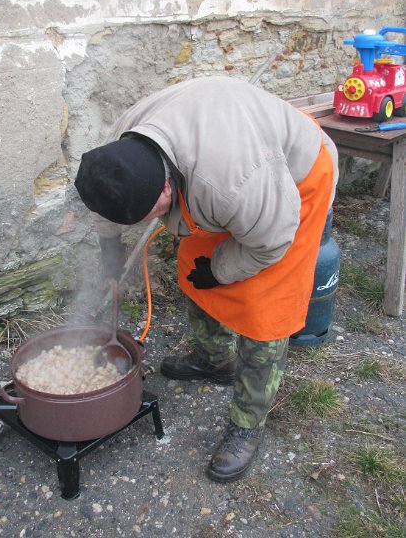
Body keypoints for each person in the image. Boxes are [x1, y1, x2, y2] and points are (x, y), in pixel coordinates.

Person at [74, 76, 338, 483]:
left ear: (165, 188)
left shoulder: (235, 183)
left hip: (291, 184)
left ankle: (247, 426)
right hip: (219, 171)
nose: (146, 223)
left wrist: (219, 270)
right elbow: (106, 202)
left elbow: (269, 244)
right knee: (193, 273)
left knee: (265, 312)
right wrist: (111, 252)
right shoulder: (118, 151)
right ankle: (215, 360)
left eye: (147, 216)